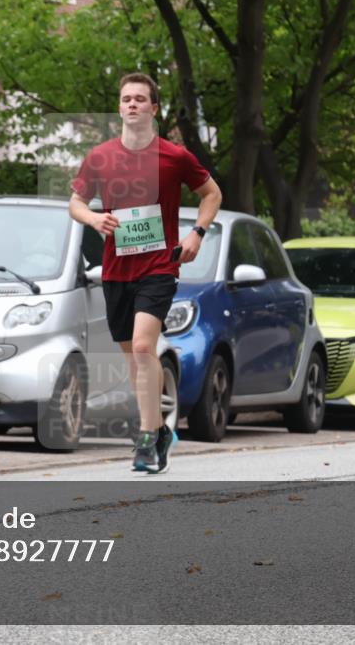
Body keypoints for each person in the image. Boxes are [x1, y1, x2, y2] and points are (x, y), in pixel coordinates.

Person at [69, 73, 222, 471]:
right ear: (119, 107)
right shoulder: (100, 156)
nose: (132, 104)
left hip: (159, 266)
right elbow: (76, 203)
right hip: (116, 269)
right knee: (134, 357)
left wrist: (197, 233)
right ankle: (160, 432)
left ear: (153, 108)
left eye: (140, 99)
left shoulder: (174, 156)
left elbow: (212, 193)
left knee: (141, 347)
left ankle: (147, 437)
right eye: (126, 99)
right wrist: (93, 218)